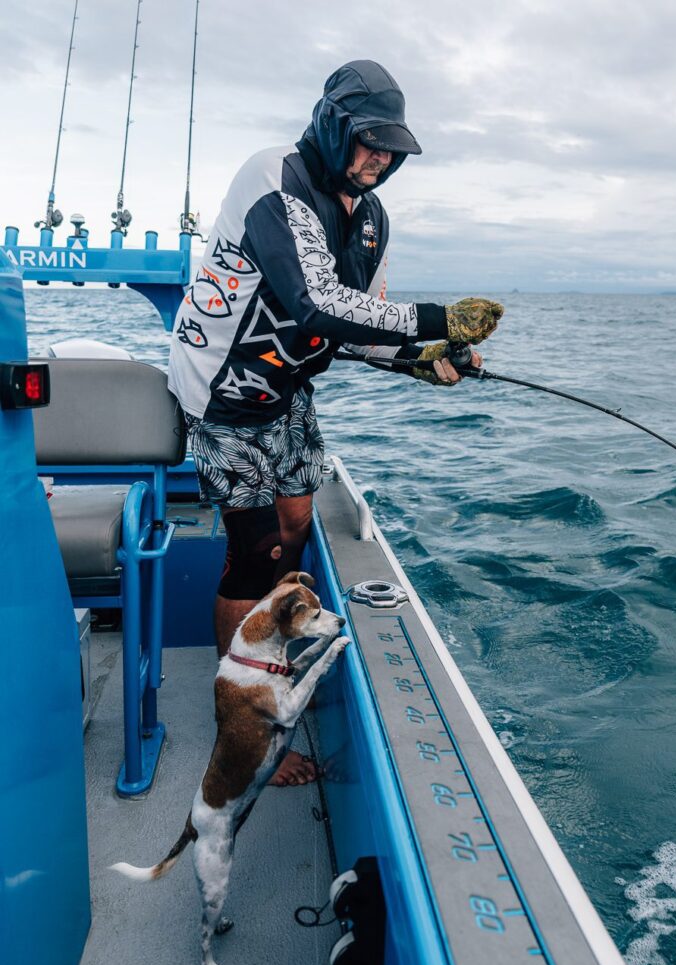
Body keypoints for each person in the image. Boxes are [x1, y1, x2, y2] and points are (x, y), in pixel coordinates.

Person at [167, 59, 503, 784]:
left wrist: (427, 355)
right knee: (253, 555)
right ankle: (242, 719)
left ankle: (272, 657)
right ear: (332, 124)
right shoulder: (273, 178)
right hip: (224, 393)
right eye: (369, 141)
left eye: (392, 151)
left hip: (286, 392)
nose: (379, 160)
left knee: (295, 528)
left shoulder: (373, 218)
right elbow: (314, 300)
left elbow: (361, 324)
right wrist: (441, 315)